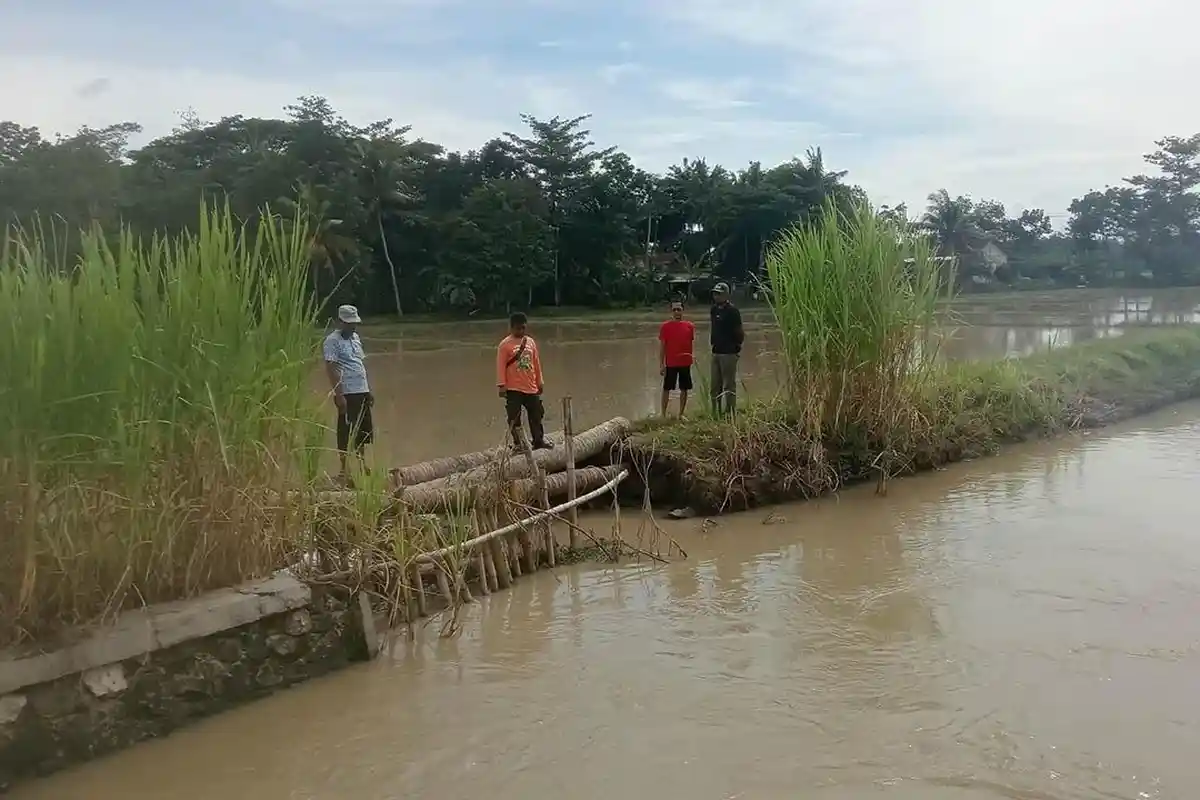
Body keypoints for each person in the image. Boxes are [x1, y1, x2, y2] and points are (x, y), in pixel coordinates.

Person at [323, 304, 374, 483]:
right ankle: (344, 469)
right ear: (340, 322)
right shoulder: (332, 341)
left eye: (355, 323)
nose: (353, 327)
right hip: (347, 392)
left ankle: (362, 463)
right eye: (349, 323)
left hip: (362, 390)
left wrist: (369, 391)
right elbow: (330, 367)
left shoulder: (356, 338)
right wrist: (339, 394)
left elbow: (359, 365)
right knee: (346, 430)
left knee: (362, 429)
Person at [496, 312, 551, 450]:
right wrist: (501, 385)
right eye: (518, 328)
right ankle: (519, 444)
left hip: (531, 386)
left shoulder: (530, 342)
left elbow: (536, 363)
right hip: (513, 388)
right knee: (514, 417)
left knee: (536, 414)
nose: (520, 331)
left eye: (523, 328)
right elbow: (500, 365)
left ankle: (538, 441)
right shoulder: (504, 345)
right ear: (511, 328)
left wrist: (540, 381)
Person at [709, 282, 744, 416]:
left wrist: (736, 347)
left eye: (719, 293)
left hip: (729, 352)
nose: (716, 296)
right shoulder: (714, 310)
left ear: (726, 294)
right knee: (714, 385)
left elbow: (739, 333)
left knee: (729, 384)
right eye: (715, 293)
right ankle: (715, 411)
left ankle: (730, 411)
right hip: (716, 351)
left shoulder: (733, 311)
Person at [658, 300, 695, 417]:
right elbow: (662, 347)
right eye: (674, 309)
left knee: (684, 389)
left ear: (683, 311)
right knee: (666, 388)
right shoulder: (665, 327)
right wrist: (661, 364)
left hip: (685, 362)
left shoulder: (690, 326)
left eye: (679, 309)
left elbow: (690, 343)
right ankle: (663, 414)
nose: (677, 312)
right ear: (671, 312)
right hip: (671, 363)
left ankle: (681, 414)